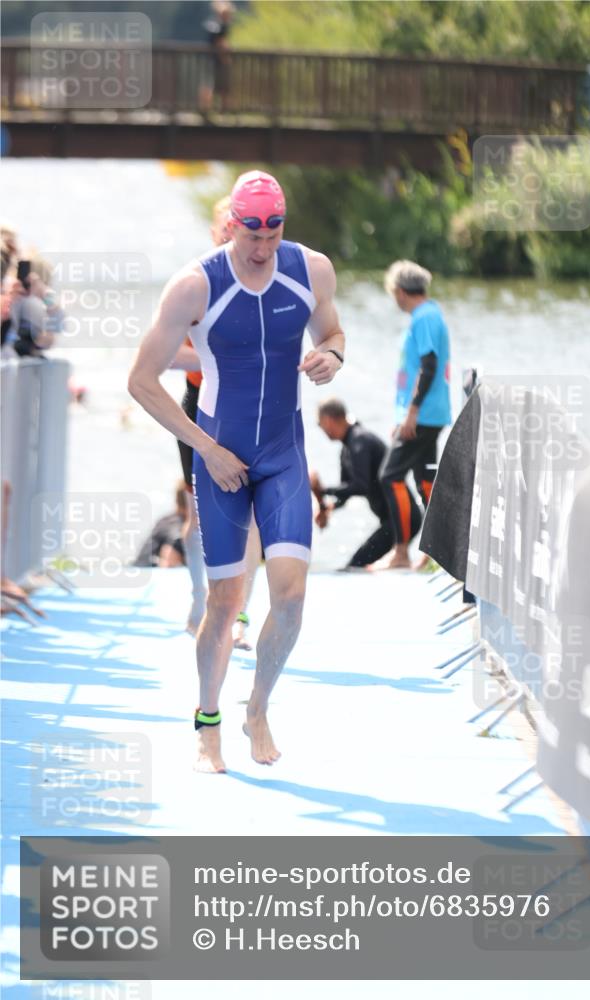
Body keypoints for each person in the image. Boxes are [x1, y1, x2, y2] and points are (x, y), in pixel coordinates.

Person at [128, 169, 345, 771]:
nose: (261, 248)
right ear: (231, 227)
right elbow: (141, 380)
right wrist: (208, 449)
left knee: (291, 598)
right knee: (224, 604)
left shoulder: (311, 270)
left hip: (283, 454)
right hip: (220, 458)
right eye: (251, 236)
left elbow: (332, 331)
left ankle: (258, 707)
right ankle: (207, 723)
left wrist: (332, 354)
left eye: (272, 235)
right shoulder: (195, 285)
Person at [171, 194, 262, 644]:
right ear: (215, 232)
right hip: (200, 406)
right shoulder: (195, 282)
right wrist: (216, 358)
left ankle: (238, 614)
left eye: (241, 226)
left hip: (251, 408)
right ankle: (199, 599)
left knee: (253, 516)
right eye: (228, 226)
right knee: (199, 515)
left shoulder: (267, 281)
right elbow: (169, 353)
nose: (234, 233)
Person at [378, 260, 451, 570]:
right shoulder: (428, 314)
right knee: (425, 479)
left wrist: (411, 413)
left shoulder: (424, 317)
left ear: (399, 291)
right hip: (424, 414)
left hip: (422, 415)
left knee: (390, 476)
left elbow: (429, 365)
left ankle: (401, 552)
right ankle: (439, 549)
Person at [310, 398, 401, 569]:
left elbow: (361, 486)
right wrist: (328, 507)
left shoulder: (359, 440)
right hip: (390, 521)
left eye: (320, 424)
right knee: (357, 565)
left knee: (355, 566)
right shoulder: (346, 448)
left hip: (401, 520)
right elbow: (346, 492)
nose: (322, 429)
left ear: (328, 420)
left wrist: (323, 490)